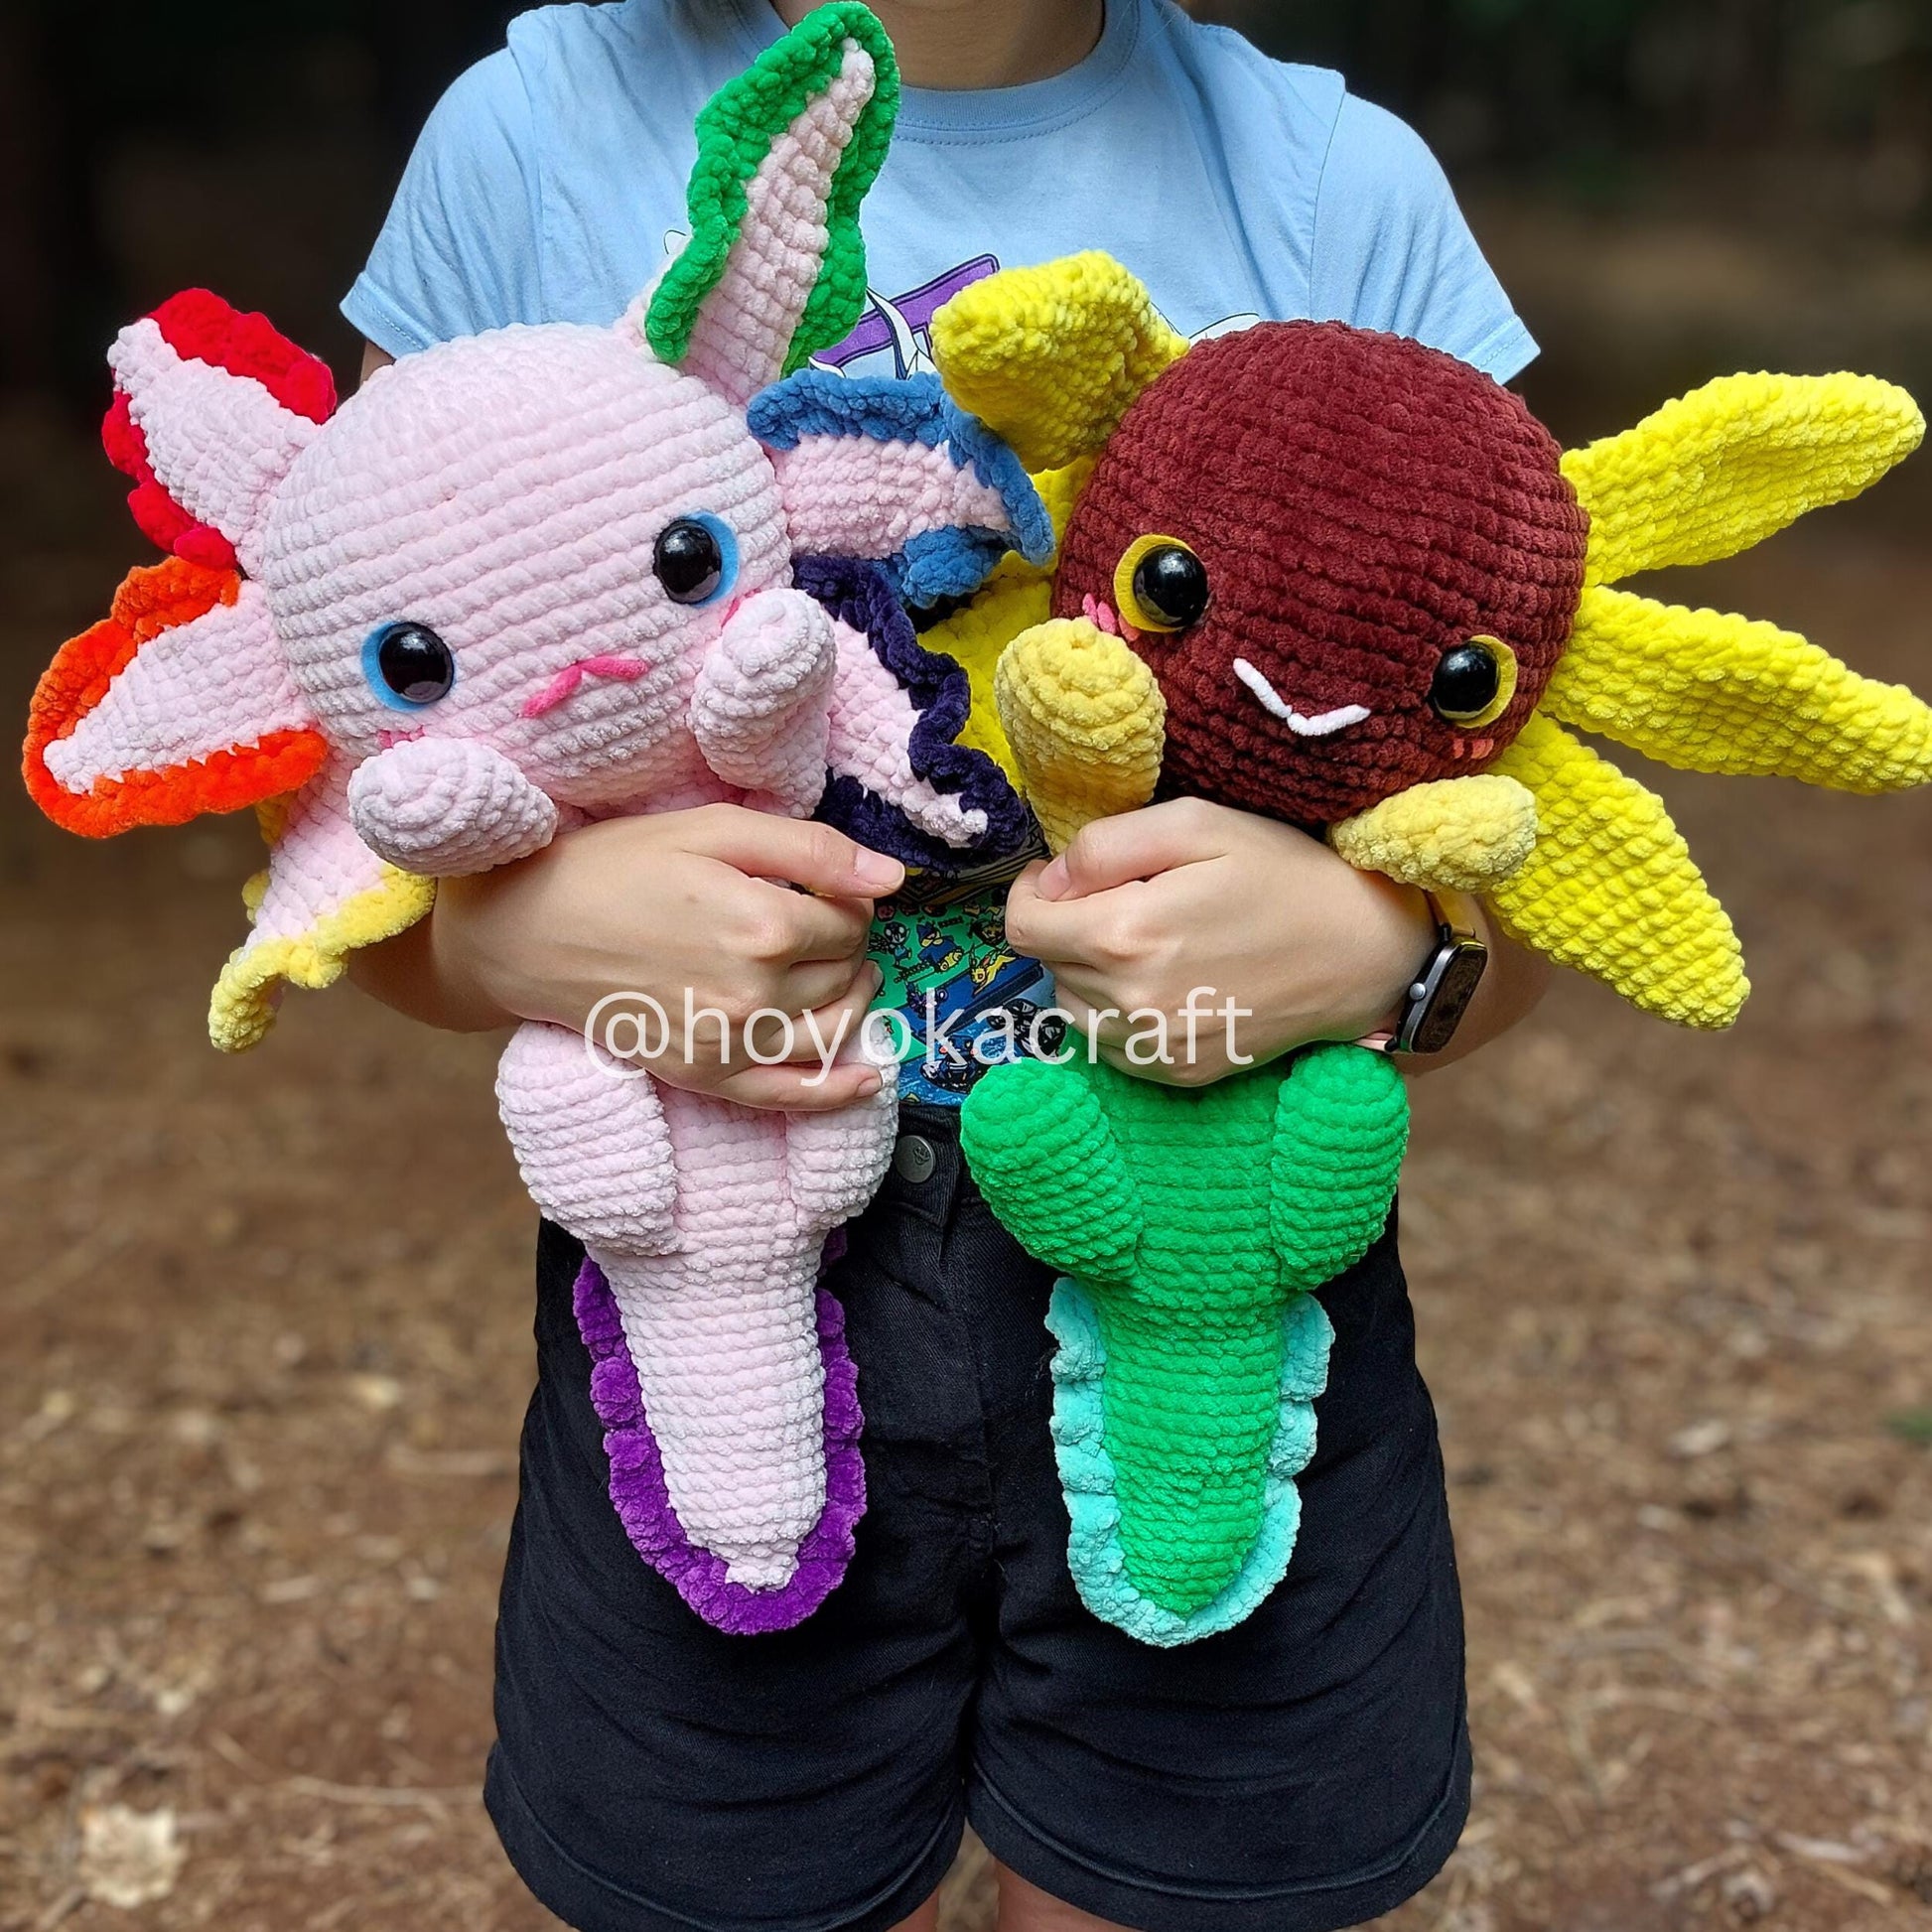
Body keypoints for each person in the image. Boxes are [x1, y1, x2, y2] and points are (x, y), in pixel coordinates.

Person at [343, 3, 1551, 1929]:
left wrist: (1391, 948)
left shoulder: (1338, 191)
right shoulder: (533, 138)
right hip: (712, 1261)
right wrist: (498, 931)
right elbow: (328, 807)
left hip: (1215, 1277)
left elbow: (1532, 872)